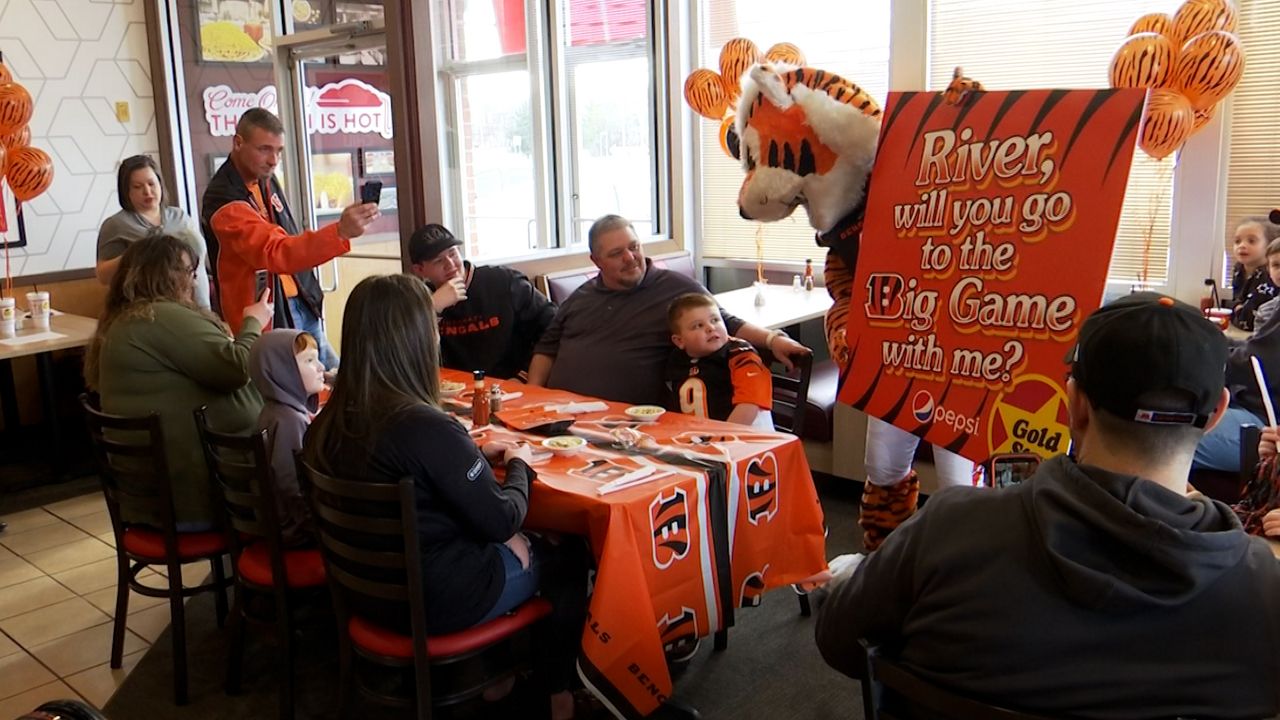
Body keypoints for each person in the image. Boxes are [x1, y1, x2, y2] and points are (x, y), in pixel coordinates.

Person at [815, 293, 1280, 719]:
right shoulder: (1263, 588)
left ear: (1074, 403)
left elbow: (841, 642)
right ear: (1217, 414)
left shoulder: (949, 526)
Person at [303, 274, 589, 720]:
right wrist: (519, 465)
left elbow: (414, 478)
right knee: (569, 552)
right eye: (432, 323)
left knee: (514, 539)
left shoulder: (323, 423)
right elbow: (501, 520)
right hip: (440, 601)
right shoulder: (425, 426)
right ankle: (557, 692)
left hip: (362, 594)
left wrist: (470, 457)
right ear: (416, 338)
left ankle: (500, 674)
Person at [85, 235, 271, 530]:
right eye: (187, 272)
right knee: (301, 486)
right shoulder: (159, 316)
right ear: (162, 274)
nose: (194, 282)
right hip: (196, 495)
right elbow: (236, 367)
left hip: (156, 493)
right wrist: (253, 322)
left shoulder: (127, 318)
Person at [528, 214, 809, 405]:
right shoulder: (579, 298)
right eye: (616, 254)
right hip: (561, 418)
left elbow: (725, 322)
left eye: (633, 247)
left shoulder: (674, 288)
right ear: (596, 260)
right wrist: (535, 398)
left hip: (630, 425)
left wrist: (775, 340)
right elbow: (546, 349)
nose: (630, 258)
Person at [201, 108, 379, 369]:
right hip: (268, 318)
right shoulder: (223, 199)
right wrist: (339, 232)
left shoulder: (265, 179)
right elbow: (275, 251)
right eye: (264, 149)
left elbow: (288, 238)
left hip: (301, 303)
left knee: (333, 383)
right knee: (304, 395)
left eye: (279, 151)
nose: (273, 160)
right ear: (237, 143)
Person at [406, 223, 555, 379]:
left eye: (453, 254)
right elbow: (404, 352)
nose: (450, 265)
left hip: (511, 386)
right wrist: (432, 307)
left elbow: (553, 327)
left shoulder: (504, 281)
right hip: (449, 392)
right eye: (438, 261)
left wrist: (526, 375)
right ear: (419, 270)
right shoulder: (419, 300)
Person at [1194, 237, 1280, 472]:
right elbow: (1255, 347)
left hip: (1267, 427)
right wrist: (1212, 339)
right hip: (1250, 407)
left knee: (1162, 441)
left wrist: (1204, 349)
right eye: (1276, 265)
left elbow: (1255, 363)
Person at [97, 155, 211, 310]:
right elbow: (103, 276)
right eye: (137, 187)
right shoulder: (116, 225)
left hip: (197, 303)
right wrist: (138, 252)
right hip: (149, 309)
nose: (147, 191)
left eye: (152, 184)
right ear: (126, 191)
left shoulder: (179, 216)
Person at [249, 329, 325, 546]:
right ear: (283, 371)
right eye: (309, 360)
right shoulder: (289, 420)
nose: (320, 367)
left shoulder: (274, 411)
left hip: (281, 525)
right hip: (296, 532)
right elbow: (292, 487)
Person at [665, 292, 773, 430]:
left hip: (748, 439)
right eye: (698, 325)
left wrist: (721, 439)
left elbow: (749, 405)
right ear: (680, 341)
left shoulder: (741, 355)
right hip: (699, 439)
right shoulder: (677, 360)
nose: (711, 328)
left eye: (715, 320)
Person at [1228, 215, 1280, 332]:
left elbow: (1249, 320)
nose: (1241, 245)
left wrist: (1238, 309)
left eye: (1251, 241)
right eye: (1237, 241)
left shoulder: (1270, 275)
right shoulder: (1239, 269)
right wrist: (1236, 307)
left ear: (1269, 246)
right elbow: (1236, 302)